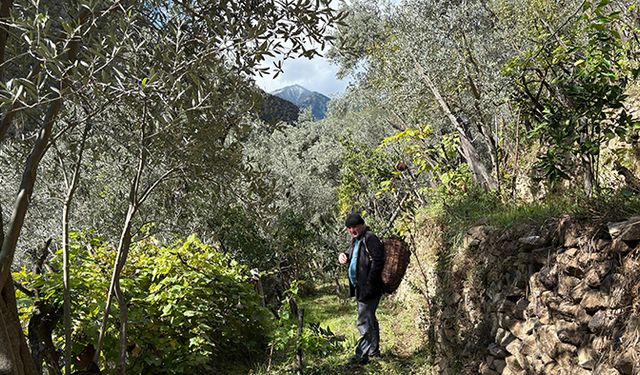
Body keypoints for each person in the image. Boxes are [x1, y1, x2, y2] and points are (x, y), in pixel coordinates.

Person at [338, 212, 384, 365]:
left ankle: (362, 355)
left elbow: (378, 262)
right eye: (349, 228)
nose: (352, 230)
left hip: (369, 288)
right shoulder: (357, 240)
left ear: (362, 225)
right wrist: (344, 256)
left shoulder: (370, 238)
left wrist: (369, 284)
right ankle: (374, 351)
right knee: (369, 319)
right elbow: (352, 256)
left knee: (363, 321)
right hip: (361, 287)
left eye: (354, 227)